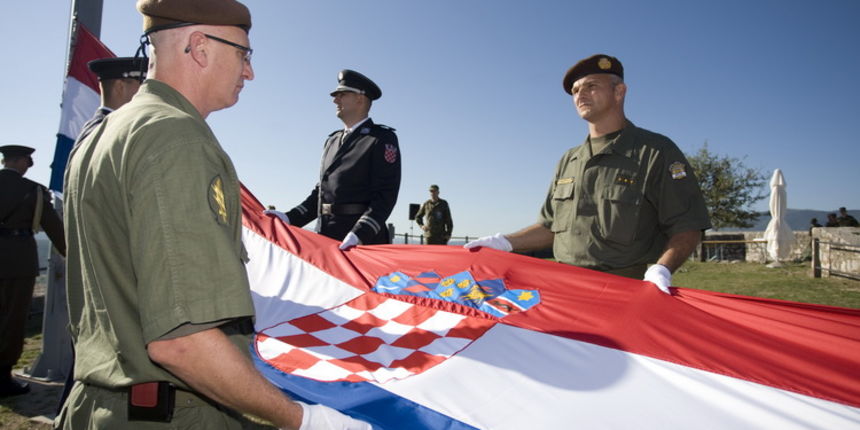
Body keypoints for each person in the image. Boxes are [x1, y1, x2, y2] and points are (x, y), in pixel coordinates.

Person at [59, 1, 369, 429]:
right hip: (172, 414)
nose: (249, 72)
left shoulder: (105, 134)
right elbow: (183, 342)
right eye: (244, 54)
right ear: (200, 47)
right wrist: (305, 420)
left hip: (98, 406)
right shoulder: (175, 137)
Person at [465, 54, 711, 294]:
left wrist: (662, 269)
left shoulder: (655, 151)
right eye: (575, 91)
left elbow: (687, 224)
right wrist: (503, 242)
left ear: (619, 91)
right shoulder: (569, 160)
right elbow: (550, 227)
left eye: (591, 86)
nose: (580, 95)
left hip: (622, 290)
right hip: (562, 290)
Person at [264, 69, 401, 250]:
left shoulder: (380, 139)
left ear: (360, 98)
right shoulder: (332, 141)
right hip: (326, 236)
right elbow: (322, 193)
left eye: (342, 95)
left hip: (361, 243)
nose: (335, 100)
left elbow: (385, 196)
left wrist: (360, 233)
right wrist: (289, 217)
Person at [0, 145, 65, 397]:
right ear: (21, 161)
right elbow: (54, 229)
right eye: (28, 160)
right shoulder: (32, 191)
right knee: (12, 318)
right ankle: (2, 375)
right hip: (18, 261)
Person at [75, 56, 148, 144]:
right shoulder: (107, 130)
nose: (147, 91)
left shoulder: (101, 128)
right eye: (143, 84)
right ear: (120, 87)